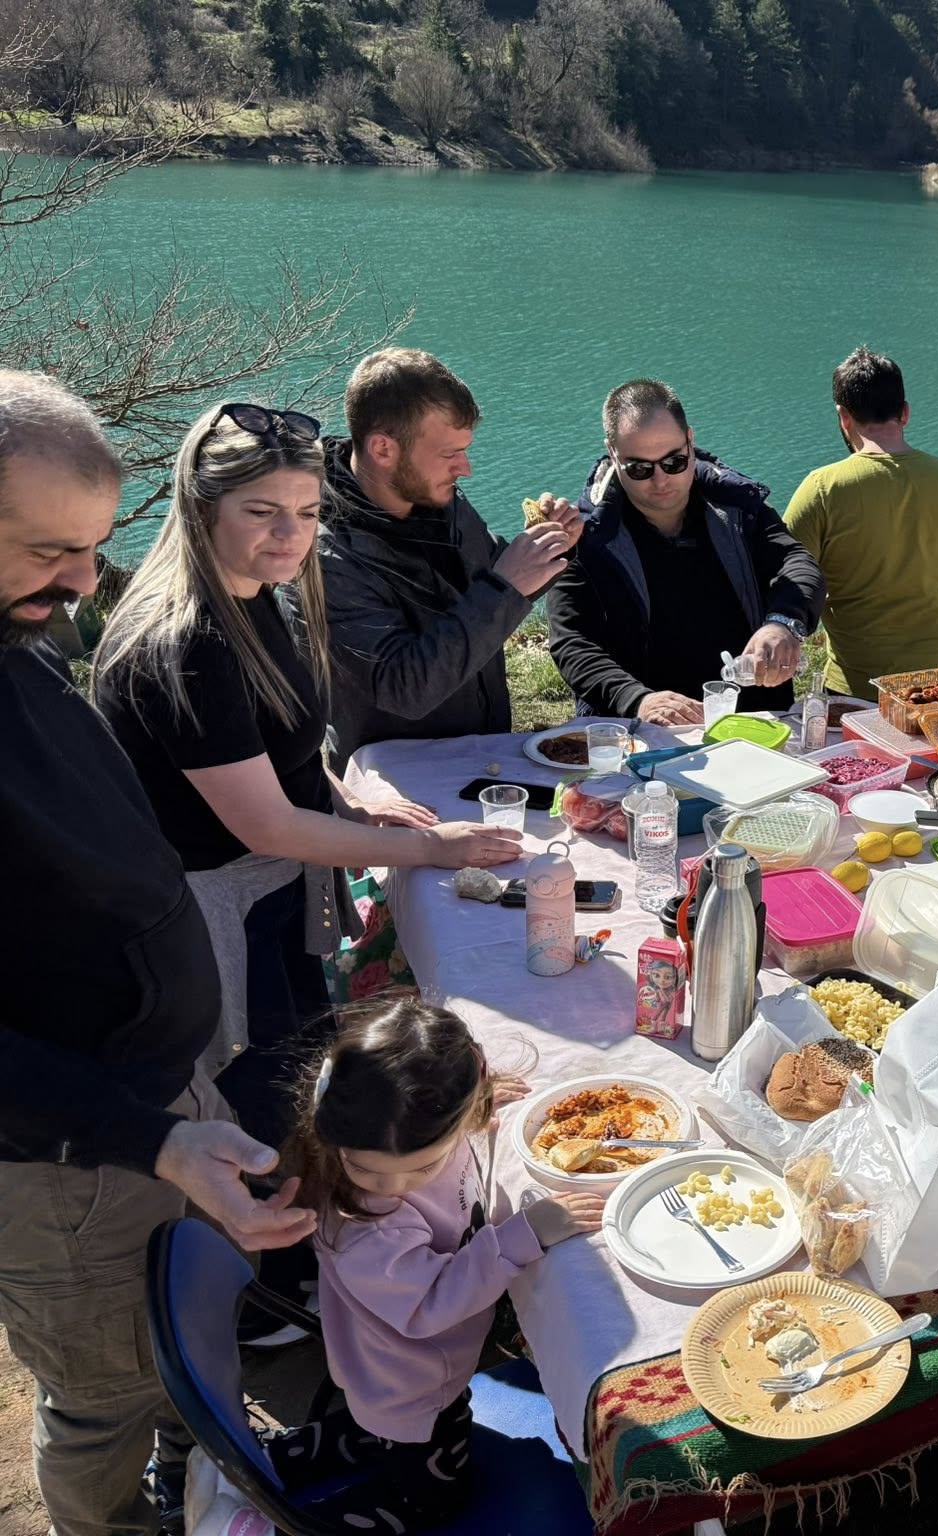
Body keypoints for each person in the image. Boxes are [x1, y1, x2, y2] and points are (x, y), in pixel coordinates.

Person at [0, 370, 314, 1536]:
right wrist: (150, 1133)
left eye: (90, 546)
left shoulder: (12, 628)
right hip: (67, 1158)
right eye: (47, 551)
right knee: (98, 1390)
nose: (84, 582)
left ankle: (194, 1455)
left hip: (153, 1096)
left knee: (183, 1321)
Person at [94, 402, 522, 1153]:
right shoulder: (188, 641)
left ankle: (318, 1233)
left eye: (307, 510)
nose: (291, 534)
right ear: (202, 508)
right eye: (262, 511)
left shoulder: (252, 594)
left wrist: (350, 796)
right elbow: (264, 822)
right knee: (263, 1110)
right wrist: (432, 850)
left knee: (305, 1083)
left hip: (275, 892)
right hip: (214, 919)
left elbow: (284, 747)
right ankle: (282, 1260)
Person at [271, 998, 605, 1532]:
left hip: (387, 1376)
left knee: (377, 1433)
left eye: (420, 1167)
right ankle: (278, 1524)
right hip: (415, 1383)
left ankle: (276, 1462)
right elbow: (431, 1304)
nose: (391, 1187)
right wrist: (523, 1236)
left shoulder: (399, 1130)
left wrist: (481, 1104)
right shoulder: (367, 1226)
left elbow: (444, 1134)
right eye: (363, 1167)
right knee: (432, 1499)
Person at [306, 348, 585, 766]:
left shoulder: (436, 497)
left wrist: (548, 545)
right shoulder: (325, 556)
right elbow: (404, 688)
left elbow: (493, 578)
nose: (466, 468)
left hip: (481, 757)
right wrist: (506, 585)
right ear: (383, 449)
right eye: (449, 454)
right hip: (395, 790)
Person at [547, 379, 824, 723]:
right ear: (612, 453)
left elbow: (797, 564)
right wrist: (638, 700)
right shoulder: (584, 535)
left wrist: (782, 624)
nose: (660, 480)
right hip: (639, 734)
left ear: (690, 440)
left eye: (674, 462)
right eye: (640, 469)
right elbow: (571, 642)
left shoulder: (738, 508)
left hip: (755, 722)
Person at [784, 347, 938, 700]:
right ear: (905, 413)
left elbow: (787, 580)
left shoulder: (822, 489)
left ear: (843, 417)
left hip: (854, 693)